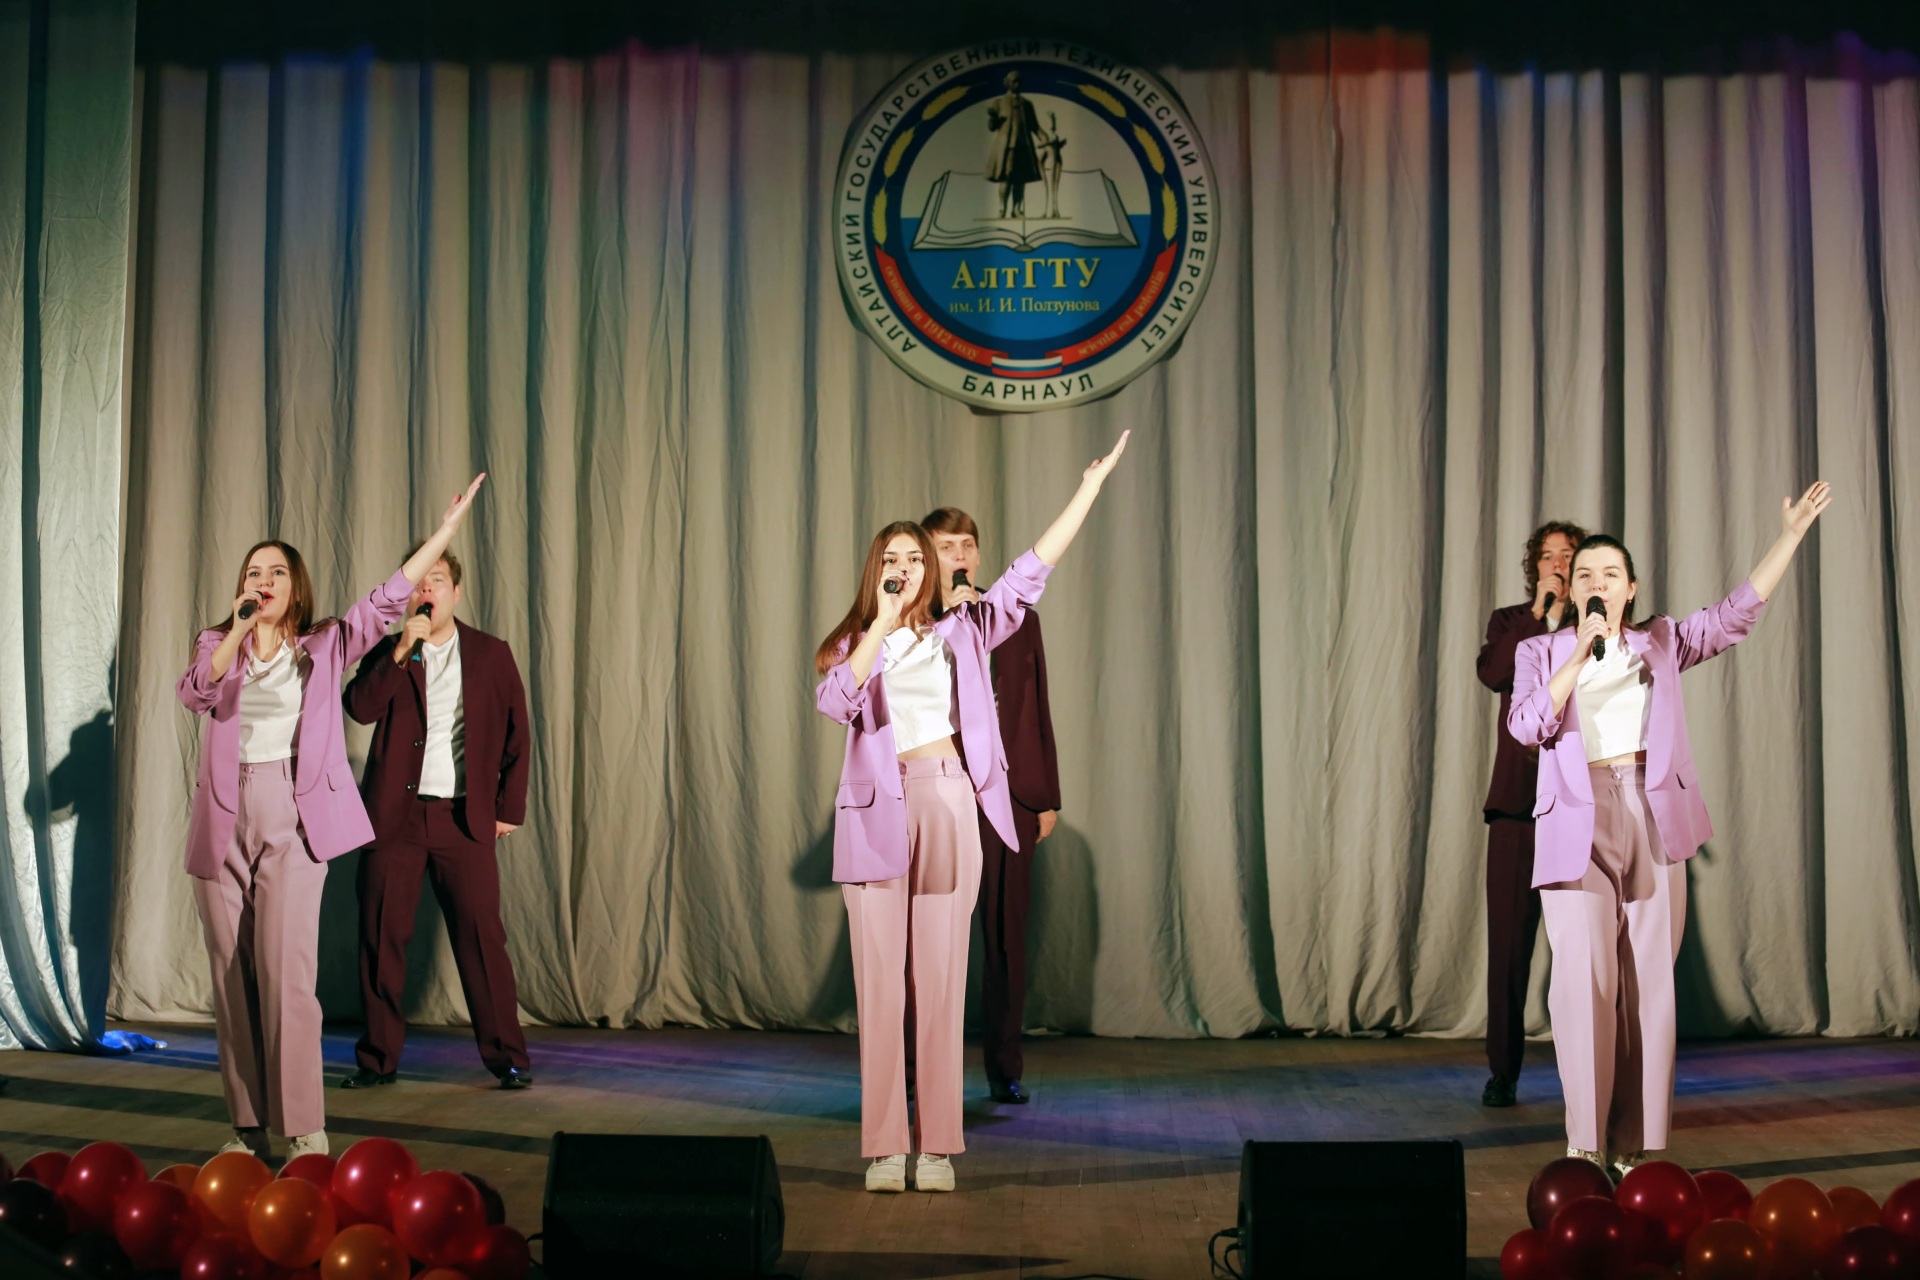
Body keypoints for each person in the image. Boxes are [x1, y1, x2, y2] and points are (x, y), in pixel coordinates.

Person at [816, 431, 1129, 1195]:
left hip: (949, 800)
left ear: (933, 568)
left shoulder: (966, 627)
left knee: (941, 981)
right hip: (875, 813)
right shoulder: (855, 642)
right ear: (876, 571)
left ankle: (937, 1147)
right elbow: (837, 703)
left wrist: (1087, 492)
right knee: (880, 989)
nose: (903, 567)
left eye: (913, 558)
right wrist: (881, 623)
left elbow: (1030, 572)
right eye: (890, 559)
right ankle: (884, 1146)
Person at [1509, 482, 1831, 1178]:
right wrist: (1577, 656)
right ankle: (1585, 1141)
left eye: (1610, 574)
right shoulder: (1540, 652)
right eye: (1585, 574)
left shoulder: (1660, 641)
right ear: (1573, 589)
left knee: (1647, 984)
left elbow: (1735, 615)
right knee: (1585, 984)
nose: (1597, 583)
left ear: (1630, 589)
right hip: (1576, 821)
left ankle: (1635, 1145)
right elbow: (1527, 726)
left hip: (1653, 814)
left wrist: (1790, 537)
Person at [176, 474, 487, 1160]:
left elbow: (388, 597)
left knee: (287, 977)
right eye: (254, 573)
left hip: (294, 814)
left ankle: (303, 1129)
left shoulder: (325, 643)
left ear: (296, 588)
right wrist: (236, 629)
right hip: (223, 819)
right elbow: (197, 693)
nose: (263, 581)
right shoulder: (217, 642)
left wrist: (445, 531)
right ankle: (246, 1128)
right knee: (231, 982)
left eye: (276, 573)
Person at [340, 548, 533, 1092]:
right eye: (418, 584)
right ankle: (378, 1060)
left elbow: (518, 734)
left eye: (438, 581)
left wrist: (508, 809)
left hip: (463, 817)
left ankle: (508, 1057)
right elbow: (359, 707)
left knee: (482, 941)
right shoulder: (391, 650)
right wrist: (402, 650)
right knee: (381, 939)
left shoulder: (491, 654)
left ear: (456, 592)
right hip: (393, 820)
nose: (427, 591)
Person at [923, 507, 1061, 1106]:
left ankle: (1004, 1069)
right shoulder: (914, 627)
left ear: (978, 555)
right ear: (927, 555)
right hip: (940, 791)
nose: (959, 555)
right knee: (932, 939)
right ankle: (920, 1070)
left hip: (1013, 797)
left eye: (967, 545)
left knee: (1006, 938)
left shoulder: (1017, 617)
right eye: (946, 546)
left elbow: (1036, 707)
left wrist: (1045, 797)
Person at [1475, 520, 1586, 1108]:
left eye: (1568, 555)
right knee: (1509, 950)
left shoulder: (1598, 626)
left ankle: (1588, 1079)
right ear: (1535, 568)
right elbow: (1495, 674)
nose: (1558, 565)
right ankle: (1503, 1072)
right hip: (1517, 808)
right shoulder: (1512, 622)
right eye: (1548, 556)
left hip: (1578, 806)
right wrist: (1539, 616)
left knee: (1583, 950)